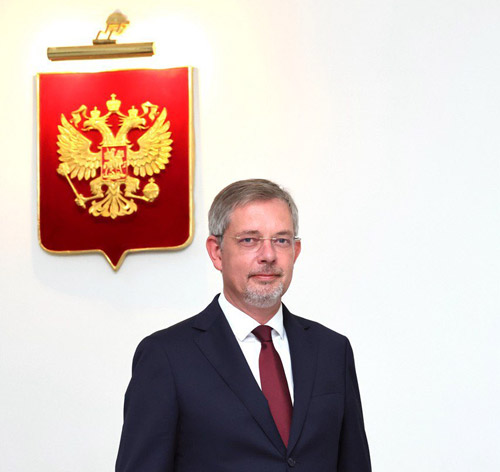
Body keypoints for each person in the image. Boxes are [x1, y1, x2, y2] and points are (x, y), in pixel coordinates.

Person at [115, 179, 371, 472]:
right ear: (217, 252)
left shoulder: (332, 350)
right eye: (249, 240)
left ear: (296, 251)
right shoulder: (166, 356)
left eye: (281, 240)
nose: (268, 255)